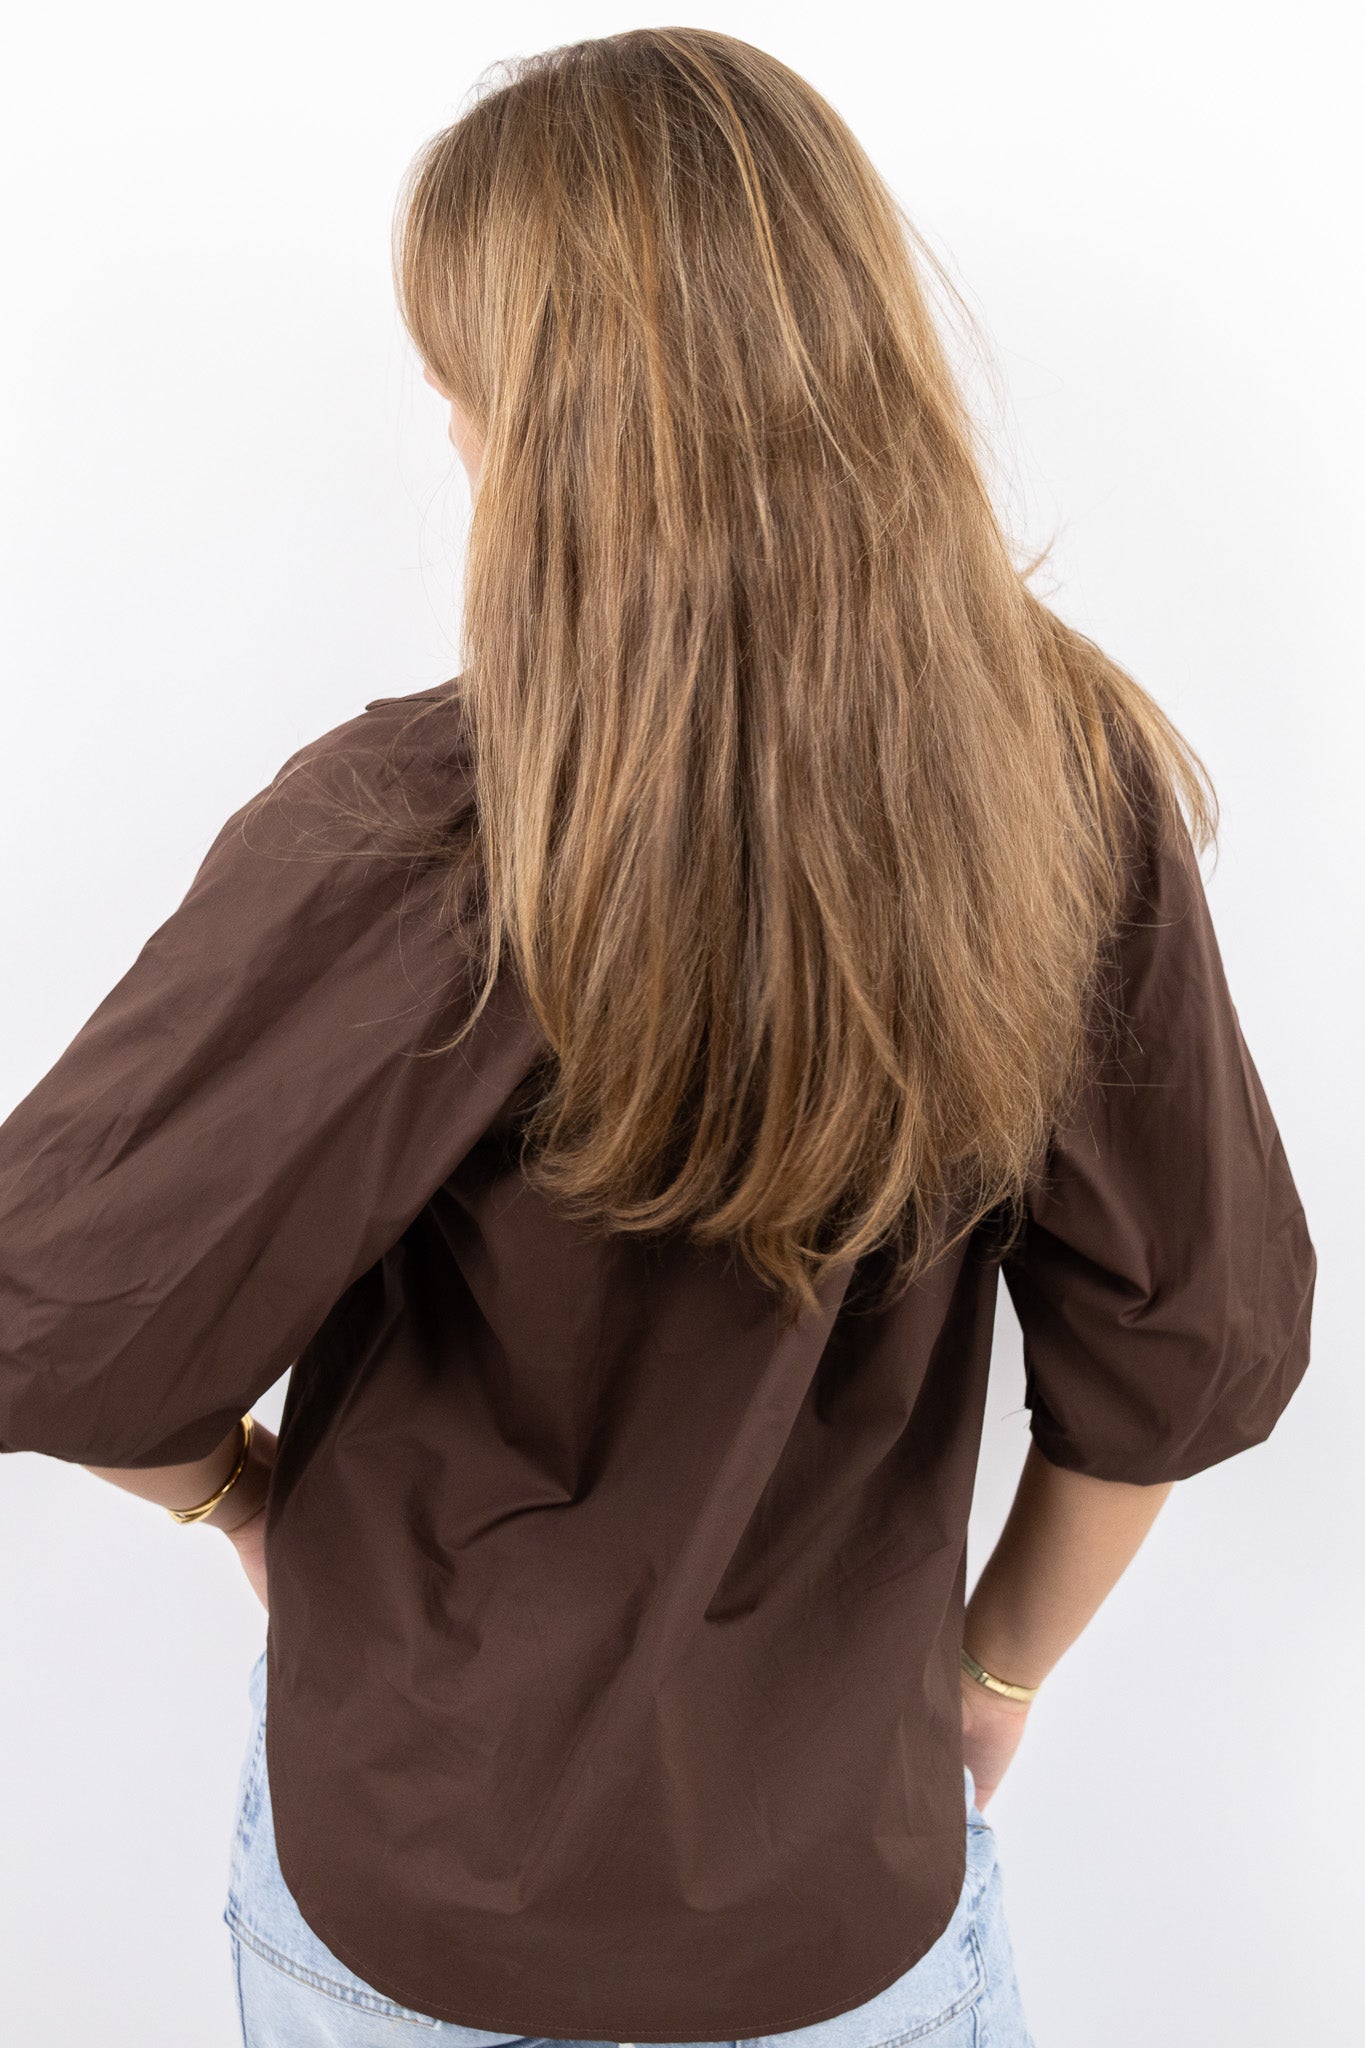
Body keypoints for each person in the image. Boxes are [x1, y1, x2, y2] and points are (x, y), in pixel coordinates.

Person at [0, 27, 1315, 2048]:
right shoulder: (1056, 787)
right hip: (841, 1888)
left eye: (460, 372)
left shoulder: (411, 833)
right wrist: (995, 1673)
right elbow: (1186, 1341)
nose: (442, 416)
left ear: (543, 423)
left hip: (410, 1880)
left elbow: (54, 1305)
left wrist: (238, 1501)